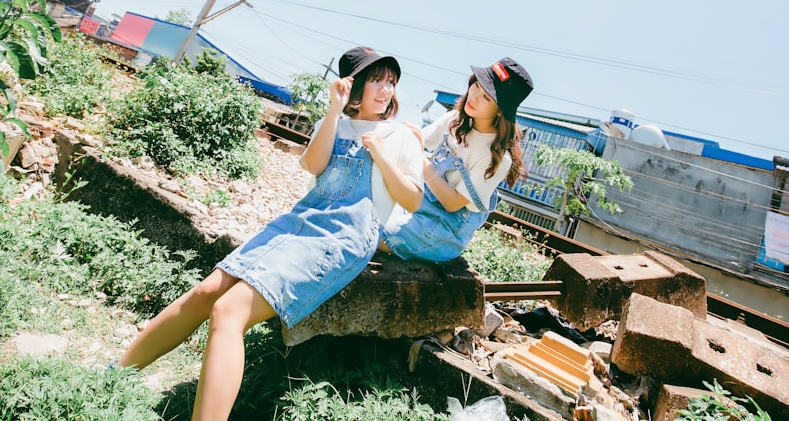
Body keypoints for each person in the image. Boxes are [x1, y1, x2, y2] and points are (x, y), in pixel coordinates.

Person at [117, 46, 423, 421]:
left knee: (228, 311)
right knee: (207, 291)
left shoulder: (399, 136)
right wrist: (333, 111)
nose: (385, 89)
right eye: (376, 79)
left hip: (343, 237)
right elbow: (312, 164)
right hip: (300, 220)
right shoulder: (337, 124)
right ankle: (117, 376)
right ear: (353, 86)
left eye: (390, 81)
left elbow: (413, 199)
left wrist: (382, 155)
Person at [381, 57, 533, 262]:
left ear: (500, 110)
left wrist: (420, 158)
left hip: (443, 230)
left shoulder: (496, 158)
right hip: (419, 204)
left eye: (487, 97)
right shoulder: (455, 120)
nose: (475, 96)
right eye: (477, 85)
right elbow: (416, 144)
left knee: (375, 234)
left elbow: (453, 204)